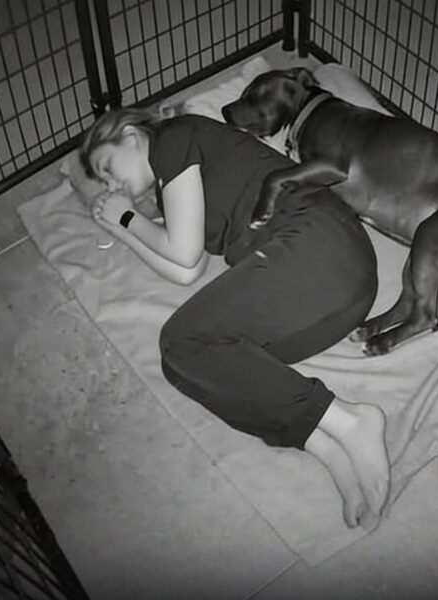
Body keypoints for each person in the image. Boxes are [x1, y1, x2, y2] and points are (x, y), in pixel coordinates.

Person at [79, 108, 390, 527]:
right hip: (332, 298)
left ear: (131, 136)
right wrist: (121, 227)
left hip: (321, 247)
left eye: (107, 168)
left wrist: (126, 216)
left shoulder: (174, 138)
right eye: (104, 183)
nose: (111, 185)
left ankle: (351, 420)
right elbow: (184, 271)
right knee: (186, 362)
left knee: (184, 340)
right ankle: (322, 443)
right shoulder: (175, 189)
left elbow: (183, 252)